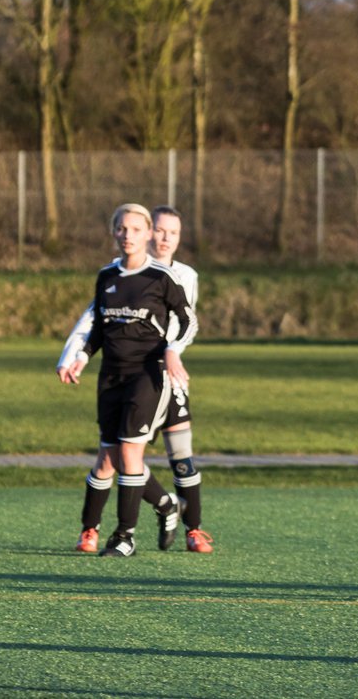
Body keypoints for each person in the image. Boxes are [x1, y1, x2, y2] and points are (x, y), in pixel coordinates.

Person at [56, 203, 196, 557]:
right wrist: (81, 359)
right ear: (114, 232)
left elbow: (188, 320)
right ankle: (165, 505)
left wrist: (172, 349)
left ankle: (124, 536)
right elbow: (99, 330)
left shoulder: (161, 279)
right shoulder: (107, 277)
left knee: (131, 453)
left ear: (148, 233)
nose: (128, 235)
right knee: (109, 455)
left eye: (136, 229)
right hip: (111, 376)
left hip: (147, 375)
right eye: (122, 229)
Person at [148, 205, 214, 553]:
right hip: (138, 377)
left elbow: (188, 323)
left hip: (172, 377)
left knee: (182, 455)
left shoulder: (187, 274)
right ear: (148, 232)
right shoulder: (130, 272)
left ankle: (194, 530)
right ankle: (156, 509)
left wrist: (173, 350)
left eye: (172, 233)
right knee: (121, 456)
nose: (165, 238)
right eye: (160, 230)